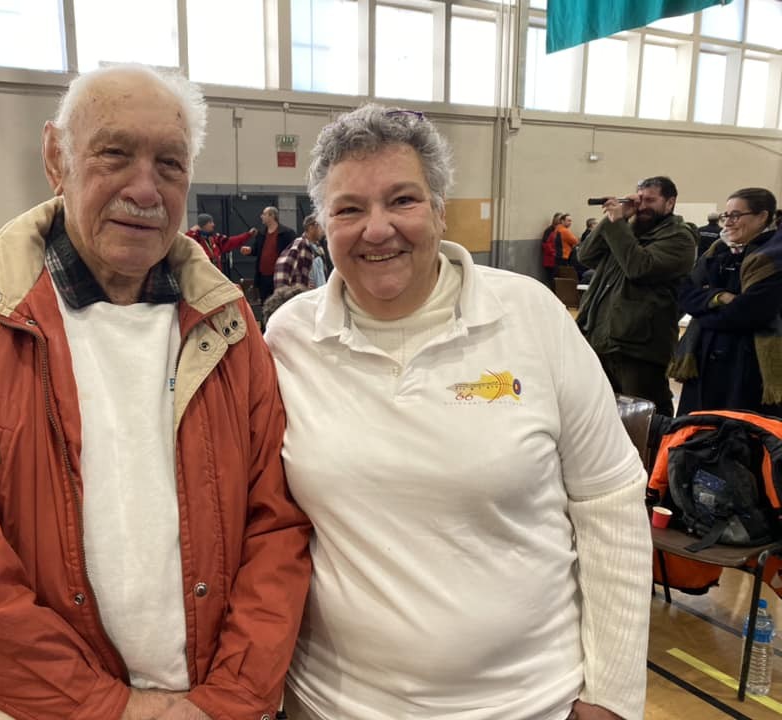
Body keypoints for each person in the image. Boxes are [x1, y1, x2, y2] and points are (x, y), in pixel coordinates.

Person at [0, 64, 311, 720]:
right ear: (57, 158)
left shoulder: (230, 329)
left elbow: (275, 526)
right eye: (114, 153)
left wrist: (229, 701)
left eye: (170, 163)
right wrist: (108, 709)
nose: (145, 188)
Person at [265, 104, 652, 720]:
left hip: (526, 703)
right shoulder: (289, 337)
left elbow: (609, 501)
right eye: (349, 209)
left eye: (402, 200)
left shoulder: (530, 315)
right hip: (332, 704)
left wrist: (612, 694)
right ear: (322, 224)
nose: (377, 229)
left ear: (440, 210)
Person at [576, 176, 697, 416]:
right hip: (603, 337)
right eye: (639, 199)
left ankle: (660, 443)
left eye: (650, 200)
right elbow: (586, 256)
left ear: (670, 203)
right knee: (605, 412)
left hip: (640, 346)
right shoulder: (628, 229)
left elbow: (639, 268)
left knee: (645, 414)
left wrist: (618, 225)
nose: (642, 206)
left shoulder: (680, 238)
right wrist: (613, 220)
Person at [671, 188, 782, 416]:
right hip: (703, 360)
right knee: (697, 428)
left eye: (736, 215)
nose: (728, 222)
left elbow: (748, 313)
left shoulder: (773, 258)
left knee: (739, 430)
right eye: (726, 215)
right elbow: (684, 293)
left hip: (749, 367)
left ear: (762, 216)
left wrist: (703, 310)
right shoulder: (718, 251)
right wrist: (719, 297)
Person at [239, 206, 295, 303]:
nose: (261, 216)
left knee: (279, 302)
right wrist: (250, 250)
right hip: (263, 276)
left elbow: (293, 252)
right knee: (264, 303)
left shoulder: (287, 233)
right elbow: (257, 249)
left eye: (264, 214)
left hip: (279, 276)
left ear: (272, 216)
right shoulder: (262, 234)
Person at [183, 212, 256, 273]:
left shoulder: (215, 239)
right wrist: (192, 231)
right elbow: (185, 243)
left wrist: (248, 235)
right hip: (202, 275)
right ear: (203, 225)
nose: (213, 225)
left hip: (216, 275)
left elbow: (231, 241)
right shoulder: (195, 239)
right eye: (210, 222)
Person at [273, 214, 328, 290]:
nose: (324, 231)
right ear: (311, 227)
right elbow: (282, 267)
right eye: (321, 226)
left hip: (319, 294)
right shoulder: (300, 244)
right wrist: (290, 290)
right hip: (306, 294)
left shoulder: (319, 248)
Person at [541, 211, 563, 288]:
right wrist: (555, 253)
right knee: (552, 280)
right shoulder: (549, 231)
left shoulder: (560, 230)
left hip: (557, 259)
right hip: (551, 260)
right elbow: (546, 245)